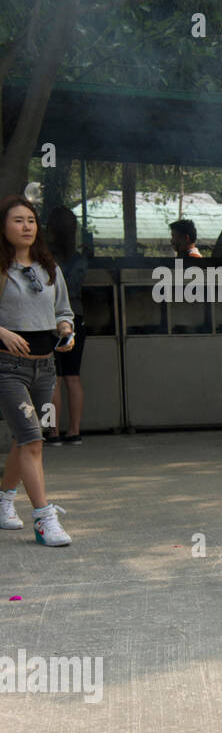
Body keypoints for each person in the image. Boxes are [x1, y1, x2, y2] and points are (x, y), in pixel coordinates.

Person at [0, 195, 76, 545]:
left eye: (30, 220)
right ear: (4, 227)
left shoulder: (49, 267)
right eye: (18, 220)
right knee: (33, 441)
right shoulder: (1, 267)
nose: (26, 226)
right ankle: (44, 519)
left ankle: (2, 500)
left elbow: (63, 310)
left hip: (44, 367)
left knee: (25, 438)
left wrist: (65, 329)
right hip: (7, 367)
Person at [46, 207, 88, 445]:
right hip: (77, 318)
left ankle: (52, 432)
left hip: (50, 320)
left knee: (55, 378)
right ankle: (75, 430)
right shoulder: (80, 257)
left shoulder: (44, 257)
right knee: (73, 376)